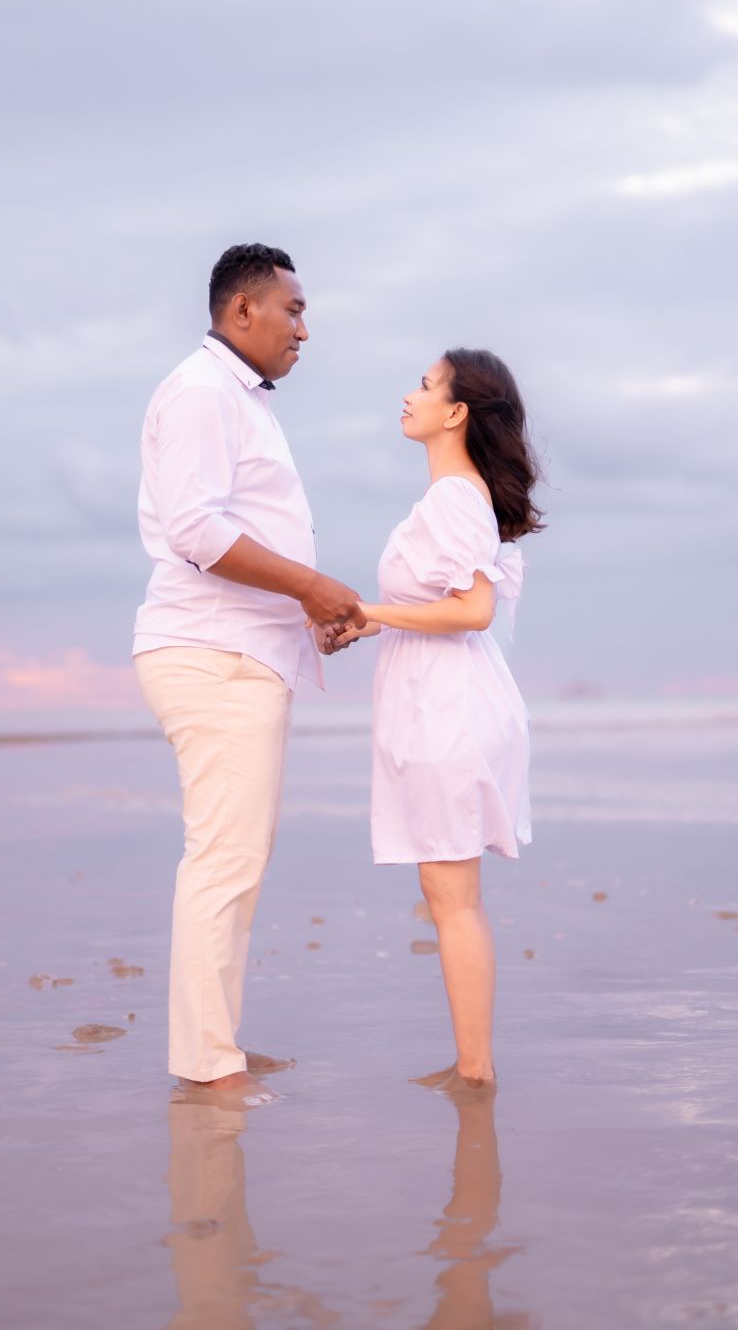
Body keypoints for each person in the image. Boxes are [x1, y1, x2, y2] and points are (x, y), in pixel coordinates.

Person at [133, 243, 364, 1101]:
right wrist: (309, 586)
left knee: (235, 859)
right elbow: (195, 533)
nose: (303, 329)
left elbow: (240, 531)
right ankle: (206, 1062)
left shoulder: (235, 397)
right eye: (292, 310)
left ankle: (214, 1044)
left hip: (234, 651)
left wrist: (306, 613)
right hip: (210, 653)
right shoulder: (202, 391)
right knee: (224, 860)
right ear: (242, 310)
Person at [329, 348, 543, 1088]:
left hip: (447, 709)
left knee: (452, 899)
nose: (408, 395)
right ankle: (471, 1063)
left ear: (455, 413)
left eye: (424, 385)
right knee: (448, 895)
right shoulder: (456, 498)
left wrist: (368, 611)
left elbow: (472, 610)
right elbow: (446, 608)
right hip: (443, 699)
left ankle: (475, 1070)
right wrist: (366, 625)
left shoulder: (454, 497)